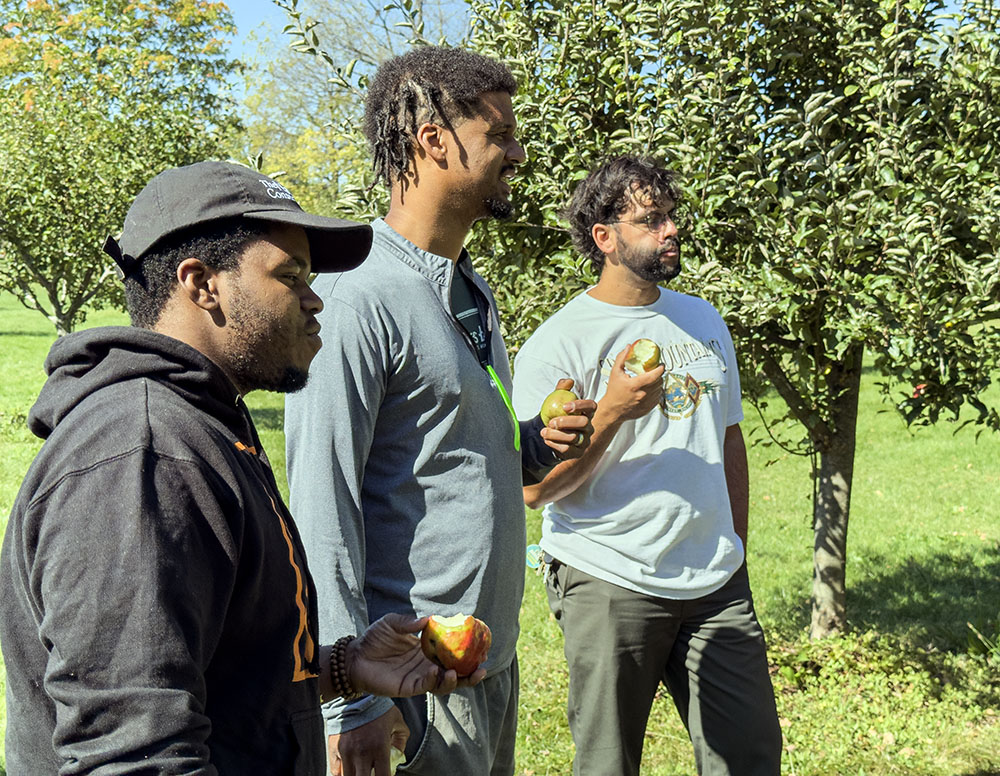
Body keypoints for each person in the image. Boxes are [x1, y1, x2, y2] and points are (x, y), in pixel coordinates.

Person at [0, 161, 478, 775]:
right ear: (202, 284)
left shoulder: (205, 424)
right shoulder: (141, 456)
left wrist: (343, 667)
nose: (315, 300)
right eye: (291, 276)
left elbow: (215, 673)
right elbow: (134, 754)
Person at [284, 47, 595, 776]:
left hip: (486, 669)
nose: (518, 152)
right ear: (432, 141)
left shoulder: (469, 288)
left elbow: (447, 447)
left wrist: (534, 442)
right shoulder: (357, 296)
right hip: (405, 686)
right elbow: (320, 505)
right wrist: (350, 701)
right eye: (500, 135)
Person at [511, 156, 783, 776]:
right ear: (604, 237)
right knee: (608, 764)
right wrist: (611, 413)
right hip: (610, 580)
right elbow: (535, 490)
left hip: (717, 585)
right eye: (650, 219)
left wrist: (734, 543)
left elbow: (729, 438)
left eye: (671, 216)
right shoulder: (561, 343)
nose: (671, 231)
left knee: (750, 757)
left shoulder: (702, 318)